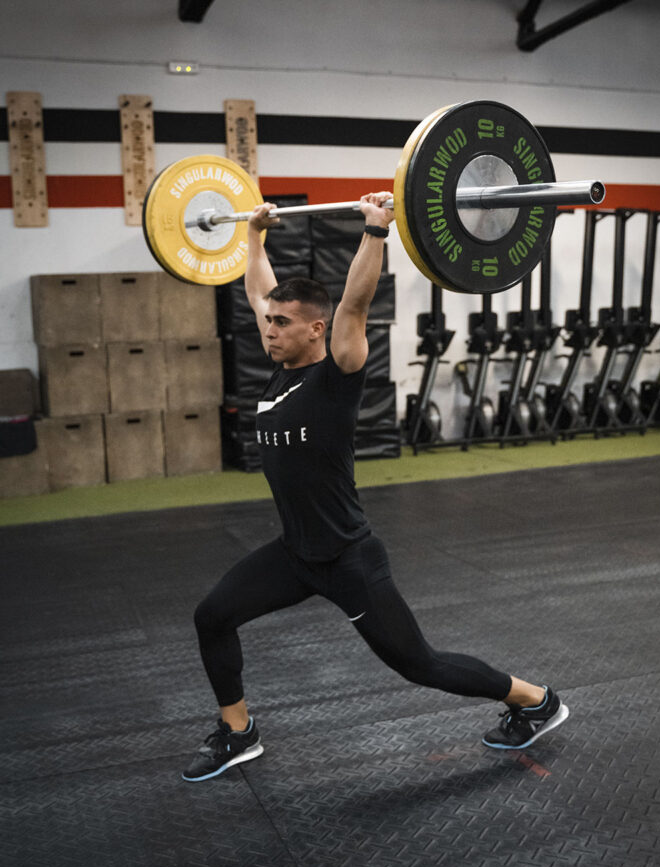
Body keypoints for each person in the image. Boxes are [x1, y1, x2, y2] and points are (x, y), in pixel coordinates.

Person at [182, 193, 568, 782]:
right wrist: (253, 237)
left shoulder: (335, 373)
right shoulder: (279, 366)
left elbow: (355, 304)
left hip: (348, 558)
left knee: (421, 664)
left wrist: (375, 230)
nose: (269, 331)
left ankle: (535, 700)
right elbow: (261, 293)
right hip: (296, 554)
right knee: (212, 616)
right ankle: (239, 732)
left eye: (282, 324)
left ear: (316, 329)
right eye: (268, 323)